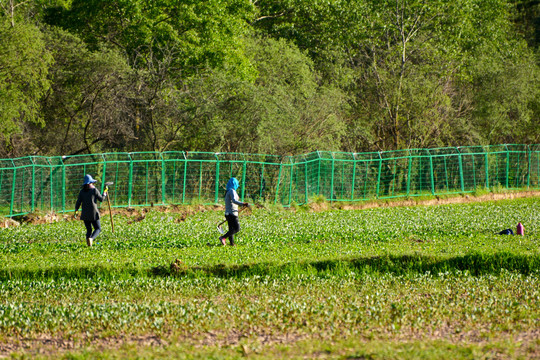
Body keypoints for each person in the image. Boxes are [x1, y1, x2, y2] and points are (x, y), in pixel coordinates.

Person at [74, 174, 107, 247]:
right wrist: (104, 193)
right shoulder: (94, 190)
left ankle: (88, 244)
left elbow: (78, 202)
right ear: (90, 183)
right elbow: (101, 199)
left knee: (89, 230)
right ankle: (91, 239)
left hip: (85, 214)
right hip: (93, 213)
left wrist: (76, 210)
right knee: (98, 228)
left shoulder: (82, 192)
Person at [219, 177, 249, 246]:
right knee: (236, 228)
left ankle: (232, 243)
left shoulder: (228, 191)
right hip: (232, 213)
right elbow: (234, 201)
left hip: (228, 213)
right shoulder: (232, 191)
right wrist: (243, 204)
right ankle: (223, 237)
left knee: (231, 229)